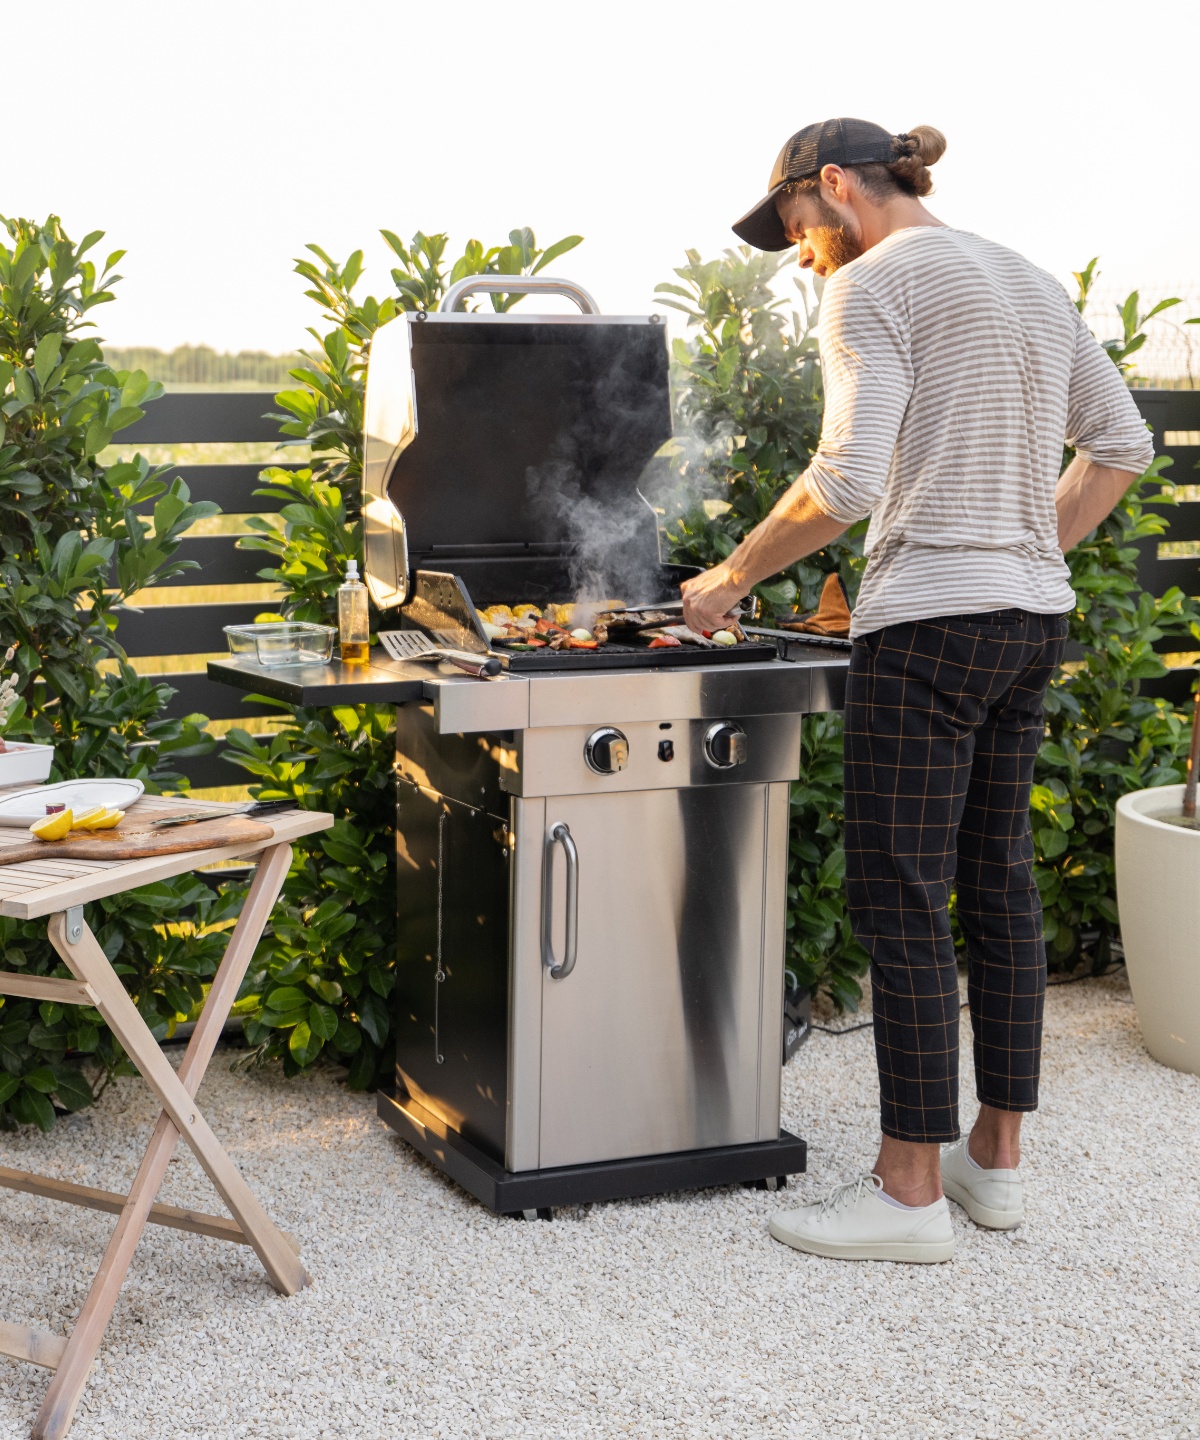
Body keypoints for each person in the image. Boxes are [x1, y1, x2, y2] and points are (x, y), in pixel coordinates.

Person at [681, 117, 1153, 1263]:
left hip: (930, 628)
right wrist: (1021, 549)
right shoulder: (1031, 280)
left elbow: (845, 477)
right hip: (1030, 623)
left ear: (836, 187)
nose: (800, 256)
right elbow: (1123, 441)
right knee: (1000, 885)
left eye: (796, 227)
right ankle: (993, 1166)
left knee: (900, 895)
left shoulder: (873, 284)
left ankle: (904, 1196)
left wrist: (730, 577)